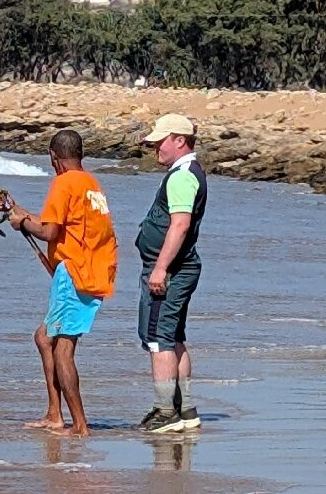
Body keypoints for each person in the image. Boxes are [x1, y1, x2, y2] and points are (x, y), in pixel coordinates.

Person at [0, 129, 118, 437]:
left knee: (62, 349)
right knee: (43, 337)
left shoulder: (63, 183)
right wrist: (14, 210)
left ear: (52, 156)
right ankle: (54, 414)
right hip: (94, 271)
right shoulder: (90, 184)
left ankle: (79, 425)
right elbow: (56, 226)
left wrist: (22, 223)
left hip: (75, 273)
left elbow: (46, 233)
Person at [136, 113, 207, 434]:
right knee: (173, 337)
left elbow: (180, 224)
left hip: (171, 270)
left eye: (160, 142)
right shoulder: (185, 173)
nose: (155, 149)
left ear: (180, 140)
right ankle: (184, 408)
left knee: (158, 339)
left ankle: (167, 411)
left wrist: (160, 268)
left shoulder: (182, 177)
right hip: (179, 267)